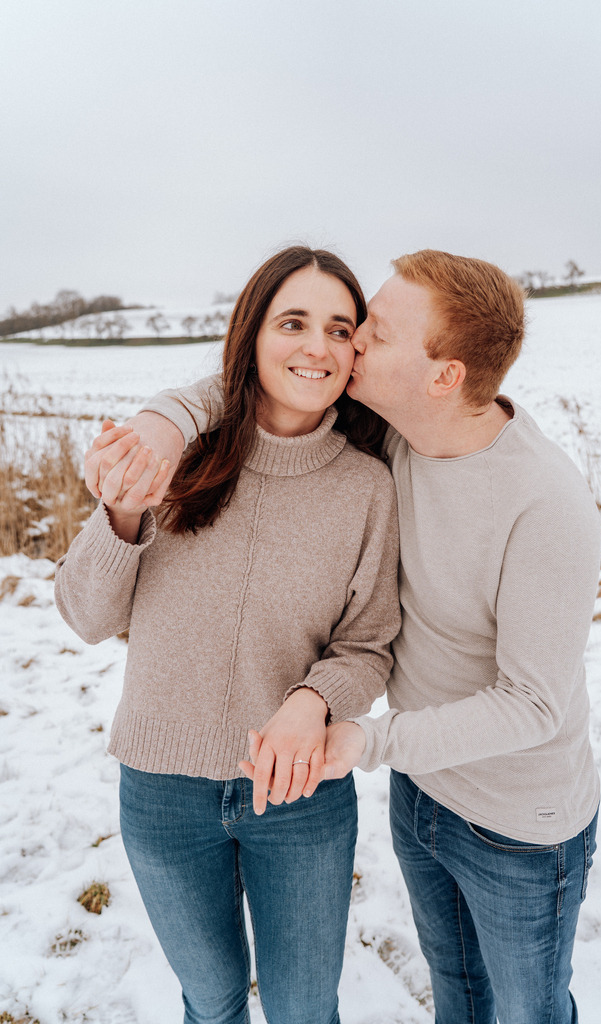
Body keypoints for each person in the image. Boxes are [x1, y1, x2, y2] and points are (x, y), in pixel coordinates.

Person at [90, 249, 601, 1024]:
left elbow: (512, 696)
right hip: (416, 793)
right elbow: (256, 387)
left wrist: (350, 730)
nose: (346, 346)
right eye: (343, 323)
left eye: (367, 332)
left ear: (442, 377)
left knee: (520, 1011)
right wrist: (161, 429)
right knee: (452, 994)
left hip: (509, 823)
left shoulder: (516, 500)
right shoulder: (383, 440)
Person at [54, 246, 401, 1024]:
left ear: (355, 351)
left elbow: (368, 644)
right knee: (210, 1003)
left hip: (300, 796)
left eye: (339, 328)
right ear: (251, 335)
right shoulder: (176, 458)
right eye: (293, 322)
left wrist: (316, 698)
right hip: (161, 791)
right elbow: (83, 616)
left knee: (304, 1009)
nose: (317, 346)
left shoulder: (366, 486)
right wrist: (122, 511)